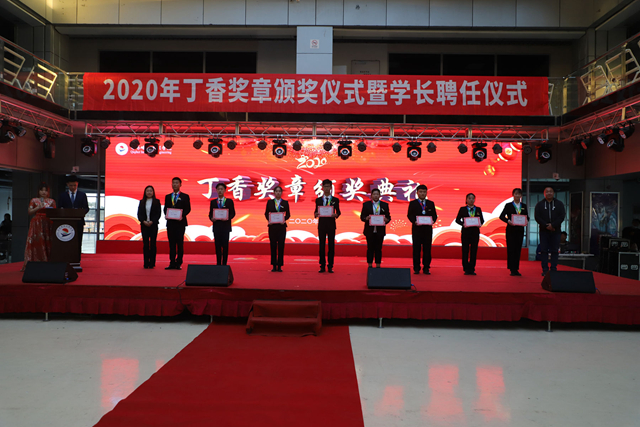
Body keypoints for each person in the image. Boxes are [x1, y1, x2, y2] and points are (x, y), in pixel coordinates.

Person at [22, 183, 56, 270]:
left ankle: (48, 260)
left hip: (48, 222)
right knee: (37, 240)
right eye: (42, 190)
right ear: (38, 191)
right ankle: (35, 261)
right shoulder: (34, 200)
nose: (43, 192)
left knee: (47, 241)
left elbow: (55, 212)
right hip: (36, 222)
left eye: (45, 190)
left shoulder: (52, 201)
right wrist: (38, 207)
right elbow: (30, 212)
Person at [534, 187, 566, 276]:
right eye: (547, 192)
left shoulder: (559, 204)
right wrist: (546, 225)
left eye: (551, 191)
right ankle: (545, 269)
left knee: (554, 250)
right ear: (544, 193)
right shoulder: (540, 204)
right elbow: (537, 217)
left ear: (553, 193)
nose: (549, 193)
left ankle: (553, 269)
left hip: (556, 231)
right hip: (544, 231)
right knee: (544, 250)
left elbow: (562, 216)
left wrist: (553, 225)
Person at [407, 184, 437, 274]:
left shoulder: (430, 203)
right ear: (417, 193)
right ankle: (416, 268)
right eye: (421, 192)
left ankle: (426, 267)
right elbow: (409, 215)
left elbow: (434, 215)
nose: (422, 193)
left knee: (427, 249)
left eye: (424, 192)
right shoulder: (413, 203)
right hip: (417, 229)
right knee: (416, 249)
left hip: (427, 230)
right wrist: (414, 221)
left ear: (426, 193)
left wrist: (433, 221)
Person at [499, 188, 529, 276]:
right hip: (511, 230)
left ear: (521, 195)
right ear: (513, 195)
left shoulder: (524, 206)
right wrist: (508, 221)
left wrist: (526, 221)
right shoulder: (508, 205)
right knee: (511, 249)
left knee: (518, 249)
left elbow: (527, 216)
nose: (517, 195)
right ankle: (512, 268)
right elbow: (501, 216)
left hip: (520, 230)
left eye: (519, 194)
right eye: (516, 194)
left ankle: (516, 268)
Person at [57, 175, 89, 257]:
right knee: (66, 239)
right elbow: (59, 207)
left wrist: (80, 213)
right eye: (71, 185)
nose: (73, 187)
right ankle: (66, 256)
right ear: (67, 184)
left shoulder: (82, 195)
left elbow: (86, 208)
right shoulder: (63, 195)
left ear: (77, 184)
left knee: (78, 240)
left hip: (79, 221)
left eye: (75, 185)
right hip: (66, 222)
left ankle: (77, 257)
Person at [163, 177, 191, 270]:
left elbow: (188, 209)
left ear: (180, 184)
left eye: (176, 183)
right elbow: (165, 209)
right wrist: (167, 215)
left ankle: (179, 262)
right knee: (171, 243)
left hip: (180, 223)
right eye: (173, 183)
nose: (175, 184)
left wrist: (181, 215)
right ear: (171, 185)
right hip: (170, 223)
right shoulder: (168, 197)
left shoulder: (185, 196)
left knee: (179, 243)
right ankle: (171, 262)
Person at [314, 179, 341, 273]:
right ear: (322, 187)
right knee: (321, 246)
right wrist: (316, 214)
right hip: (321, 225)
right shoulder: (318, 200)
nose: (326, 188)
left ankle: (330, 266)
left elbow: (339, 212)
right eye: (325, 186)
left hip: (331, 225)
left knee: (331, 246)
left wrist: (336, 215)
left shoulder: (335, 200)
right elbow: (315, 212)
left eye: (328, 186)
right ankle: (322, 265)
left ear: (330, 187)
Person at [360, 188, 391, 268]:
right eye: (374, 194)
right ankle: (370, 264)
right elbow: (362, 217)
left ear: (380, 195)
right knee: (370, 248)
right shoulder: (366, 205)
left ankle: (378, 265)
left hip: (380, 230)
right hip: (369, 230)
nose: (376, 196)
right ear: (371, 195)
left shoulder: (384, 205)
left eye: (377, 194)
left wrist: (386, 220)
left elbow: (388, 217)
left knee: (378, 248)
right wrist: (366, 218)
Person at [455, 193, 484, 275]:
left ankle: (472, 268)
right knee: (465, 250)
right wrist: (463, 224)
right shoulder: (462, 209)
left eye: (473, 198)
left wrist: (479, 224)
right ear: (466, 200)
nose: (471, 200)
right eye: (469, 198)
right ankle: (466, 268)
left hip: (475, 232)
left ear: (474, 200)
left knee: (474, 250)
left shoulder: (478, 209)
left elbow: (482, 220)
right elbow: (457, 220)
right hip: (466, 232)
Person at [264, 186, 290, 272]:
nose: (278, 192)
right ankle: (274, 265)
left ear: (281, 193)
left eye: (279, 191)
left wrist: (284, 219)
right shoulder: (270, 202)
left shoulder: (285, 203)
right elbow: (266, 213)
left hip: (282, 227)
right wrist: (269, 220)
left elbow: (288, 214)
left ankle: (280, 266)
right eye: (276, 191)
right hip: (272, 227)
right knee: (273, 245)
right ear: (274, 193)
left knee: (281, 246)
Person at [209, 183, 236, 266]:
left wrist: (227, 217)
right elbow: (210, 214)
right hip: (216, 227)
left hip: (225, 227)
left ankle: (224, 263)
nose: (220, 191)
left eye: (221, 189)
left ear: (225, 190)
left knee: (225, 246)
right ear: (216, 190)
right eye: (218, 189)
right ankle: (218, 263)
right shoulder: (213, 202)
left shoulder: (229, 201)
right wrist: (211, 218)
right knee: (217, 246)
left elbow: (233, 213)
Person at [137, 185, 161, 269]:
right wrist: (143, 221)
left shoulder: (157, 202)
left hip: (153, 225)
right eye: (148, 191)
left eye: (151, 191)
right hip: (144, 225)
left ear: (153, 192)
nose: (149, 192)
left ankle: (152, 263)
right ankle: (146, 262)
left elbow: (158, 213)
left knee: (153, 244)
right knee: (146, 244)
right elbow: (139, 214)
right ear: (145, 192)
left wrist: (152, 221)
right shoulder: (142, 202)